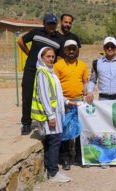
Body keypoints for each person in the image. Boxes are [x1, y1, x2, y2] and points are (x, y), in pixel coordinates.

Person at [32, 47, 76, 183]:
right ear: (42, 58)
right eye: (48, 57)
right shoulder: (42, 73)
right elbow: (45, 96)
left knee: (53, 141)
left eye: (52, 57)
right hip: (50, 115)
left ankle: (50, 169)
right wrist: (50, 116)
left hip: (55, 113)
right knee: (54, 141)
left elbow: (56, 94)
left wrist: (67, 102)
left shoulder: (50, 72)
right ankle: (53, 173)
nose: (51, 59)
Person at [17, 14, 62, 135]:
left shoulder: (59, 39)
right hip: (31, 69)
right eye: (49, 24)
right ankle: (26, 123)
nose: (51, 26)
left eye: (53, 24)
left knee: (46, 96)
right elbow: (20, 41)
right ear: (44, 24)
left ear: (56, 25)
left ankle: (46, 119)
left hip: (47, 72)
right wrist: (29, 54)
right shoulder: (36, 32)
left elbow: (59, 57)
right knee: (27, 95)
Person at [53, 40, 88, 170]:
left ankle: (79, 156)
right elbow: (56, 86)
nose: (71, 51)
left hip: (79, 102)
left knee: (80, 130)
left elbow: (85, 82)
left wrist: (85, 95)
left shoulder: (83, 65)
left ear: (77, 50)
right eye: (69, 49)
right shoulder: (57, 66)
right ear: (65, 50)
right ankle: (65, 158)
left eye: (74, 48)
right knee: (65, 130)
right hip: (65, 103)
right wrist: (64, 101)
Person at [86, 36, 116, 102]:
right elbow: (92, 80)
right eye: (107, 46)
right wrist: (89, 92)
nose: (110, 48)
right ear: (103, 48)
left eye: (112, 46)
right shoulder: (97, 63)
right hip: (103, 100)